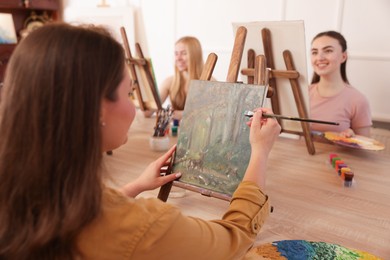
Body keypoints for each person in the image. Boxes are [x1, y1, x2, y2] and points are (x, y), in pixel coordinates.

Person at [0, 23, 281, 259]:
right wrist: (259, 152)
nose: (134, 107)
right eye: (129, 93)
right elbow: (234, 238)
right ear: (97, 110)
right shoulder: (144, 226)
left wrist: (135, 186)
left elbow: (75, 216)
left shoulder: (22, 189)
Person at [309, 30, 372, 137]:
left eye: (328, 51)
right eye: (314, 52)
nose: (319, 58)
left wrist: (353, 138)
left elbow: (365, 148)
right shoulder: (302, 93)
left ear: (343, 56)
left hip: (338, 154)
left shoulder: (358, 100)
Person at [144, 36, 205, 120]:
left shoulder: (210, 82)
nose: (178, 58)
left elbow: (203, 115)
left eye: (184, 53)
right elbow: (148, 112)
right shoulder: (169, 82)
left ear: (195, 56)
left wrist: (176, 114)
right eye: (176, 53)